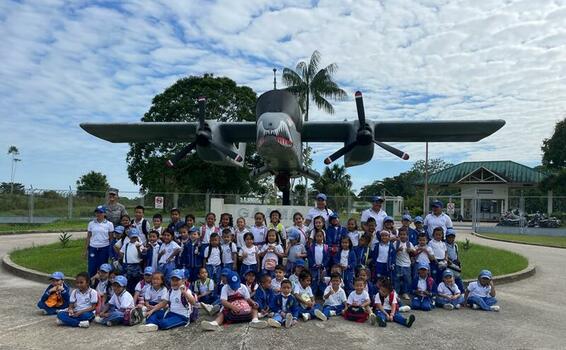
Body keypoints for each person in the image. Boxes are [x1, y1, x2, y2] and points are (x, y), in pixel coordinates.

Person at [200, 271, 268, 331]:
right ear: (228, 282)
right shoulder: (225, 288)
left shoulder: (243, 287)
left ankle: (255, 320)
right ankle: (215, 323)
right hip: (231, 312)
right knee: (222, 314)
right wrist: (232, 307)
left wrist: (253, 303)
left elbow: (247, 299)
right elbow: (223, 301)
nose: (235, 288)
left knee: (254, 309)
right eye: (233, 286)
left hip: (245, 311)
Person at [85, 205, 114, 277]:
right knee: (92, 267)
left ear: (104, 214)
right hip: (93, 248)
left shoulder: (109, 224)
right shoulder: (91, 223)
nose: (98, 214)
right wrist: (85, 249)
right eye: (97, 212)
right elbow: (88, 237)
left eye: (101, 212)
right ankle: (91, 283)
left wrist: (111, 251)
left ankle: (101, 284)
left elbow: (111, 238)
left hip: (104, 248)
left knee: (102, 267)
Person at [120, 228, 144, 293]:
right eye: (132, 237)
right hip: (127, 265)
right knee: (127, 283)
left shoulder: (139, 245)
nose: (134, 239)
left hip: (136, 266)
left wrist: (138, 249)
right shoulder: (126, 244)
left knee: (136, 283)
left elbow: (141, 256)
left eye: (135, 237)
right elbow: (121, 252)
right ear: (129, 237)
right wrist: (124, 259)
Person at [307, 230, 329, 297]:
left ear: (323, 237)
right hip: (314, 268)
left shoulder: (326, 247)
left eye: (320, 236)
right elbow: (309, 257)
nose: (319, 238)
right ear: (314, 237)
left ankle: (323, 295)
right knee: (313, 281)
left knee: (323, 281)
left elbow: (327, 257)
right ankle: (313, 295)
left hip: (323, 268)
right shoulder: (311, 247)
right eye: (317, 236)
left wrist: (323, 264)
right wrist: (313, 264)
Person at [394, 228, 414, 300]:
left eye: (404, 234)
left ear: (407, 236)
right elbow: (392, 253)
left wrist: (411, 250)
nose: (403, 236)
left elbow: (414, 253)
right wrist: (397, 250)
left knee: (407, 279)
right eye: (401, 234)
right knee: (397, 279)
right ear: (398, 235)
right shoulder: (396, 243)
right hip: (398, 264)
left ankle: (405, 293)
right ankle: (396, 292)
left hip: (407, 265)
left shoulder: (409, 244)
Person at [445, 228, 464, 292]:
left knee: (457, 278)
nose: (451, 239)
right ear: (446, 237)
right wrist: (448, 261)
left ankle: (462, 291)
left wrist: (459, 263)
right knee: (450, 279)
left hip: (455, 264)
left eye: (452, 237)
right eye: (449, 237)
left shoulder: (455, 245)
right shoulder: (444, 245)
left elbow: (456, 254)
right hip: (448, 264)